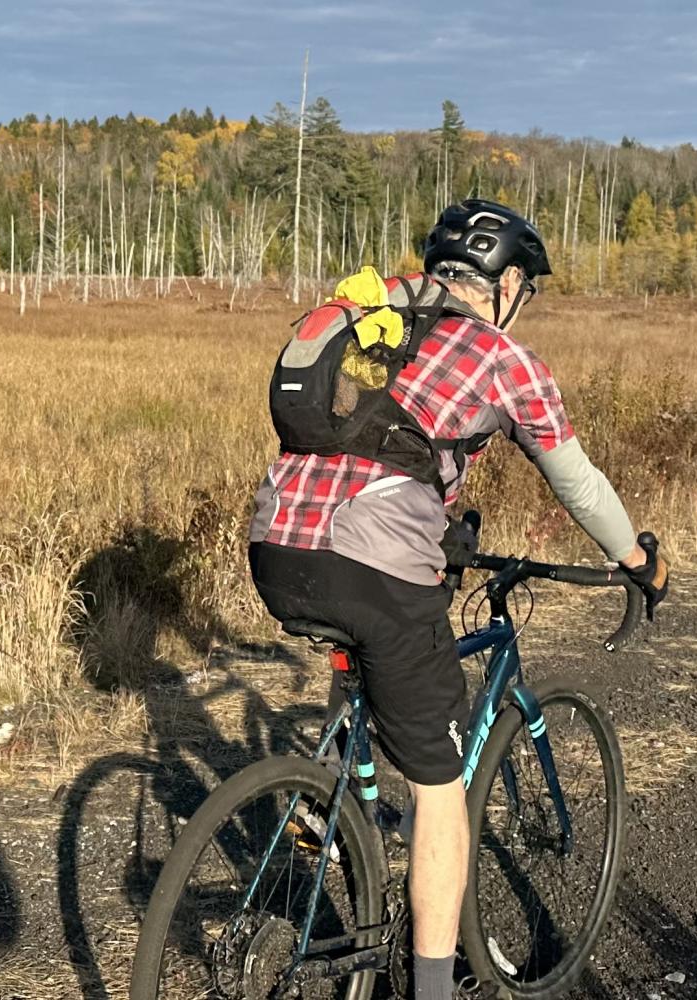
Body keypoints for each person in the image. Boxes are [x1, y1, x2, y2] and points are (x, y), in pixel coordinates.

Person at [247, 199, 669, 999]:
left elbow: (365, 441)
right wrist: (636, 558)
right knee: (440, 789)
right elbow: (573, 477)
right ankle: (434, 989)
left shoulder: (374, 314)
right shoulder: (502, 355)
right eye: (526, 288)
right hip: (369, 559)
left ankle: (328, 797)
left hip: (273, 540)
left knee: (378, 641)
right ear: (507, 280)